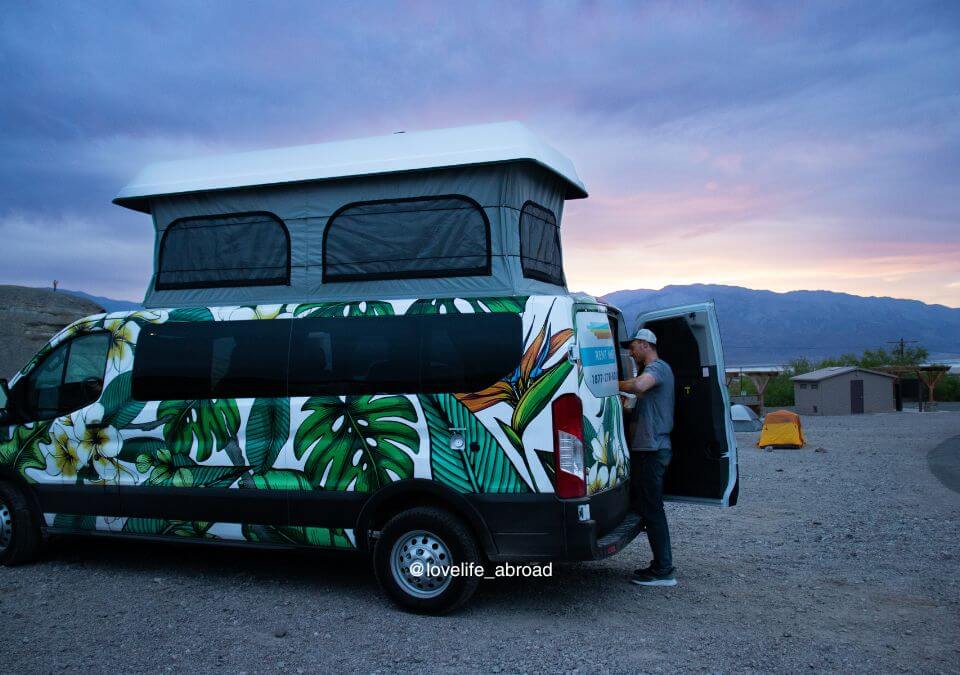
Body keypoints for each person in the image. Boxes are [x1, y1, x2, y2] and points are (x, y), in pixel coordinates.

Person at [618, 328, 676, 587]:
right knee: (648, 507)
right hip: (645, 449)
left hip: (653, 450)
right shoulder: (649, 373)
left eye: (633, 347)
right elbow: (638, 399)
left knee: (653, 510)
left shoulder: (658, 369)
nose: (631, 352)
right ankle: (659, 565)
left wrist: (609, 383)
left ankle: (664, 570)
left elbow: (639, 386)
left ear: (645, 344)